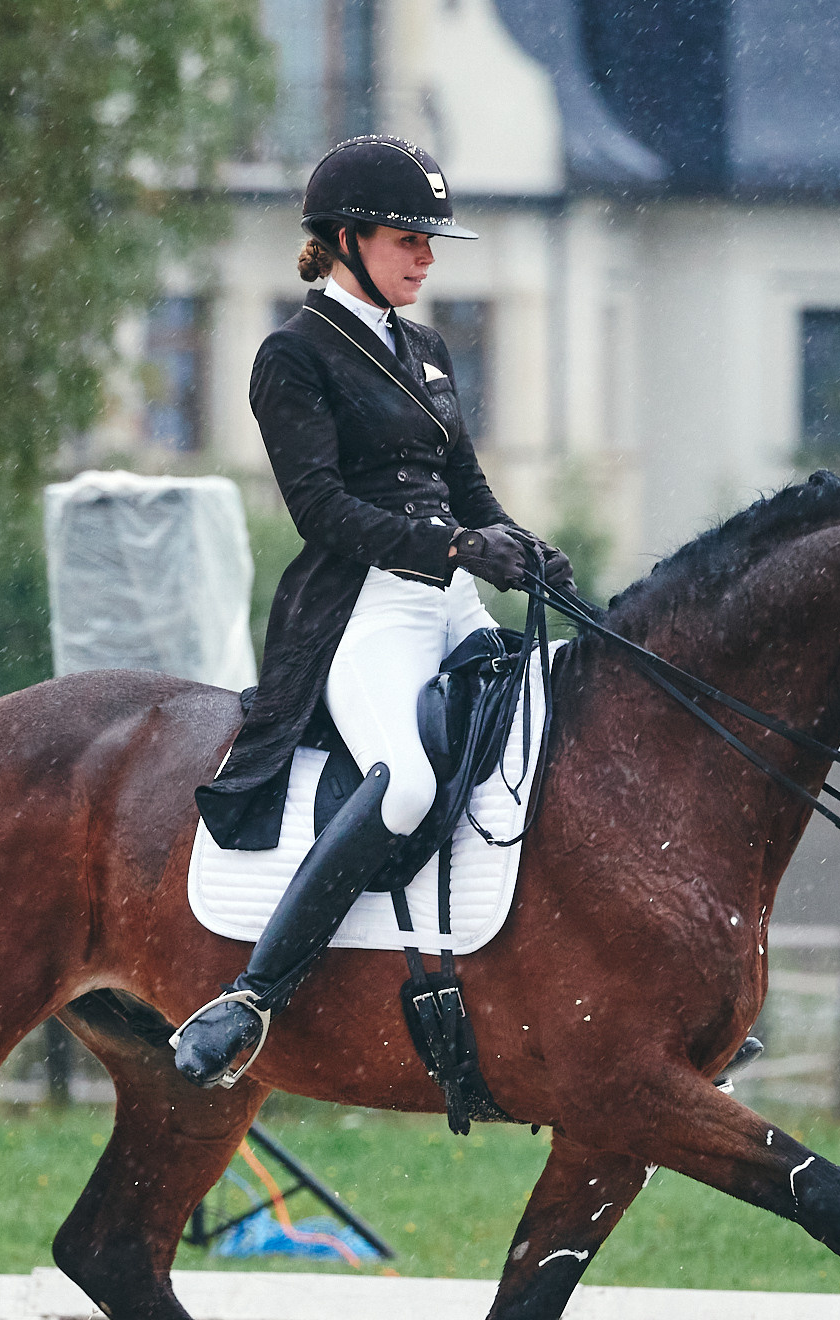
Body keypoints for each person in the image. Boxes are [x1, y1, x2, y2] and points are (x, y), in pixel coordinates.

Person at [172, 135, 570, 1088]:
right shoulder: (292, 354)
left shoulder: (426, 349)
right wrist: (454, 548)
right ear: (345, 239)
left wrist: (524, 547)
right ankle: (252, 995)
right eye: (409, 239)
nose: (427, 259)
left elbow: (464, 484)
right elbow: (321, 510)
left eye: (431, 243)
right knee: (407, 788)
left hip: (454, 596)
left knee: (556, 737)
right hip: (366, 610)